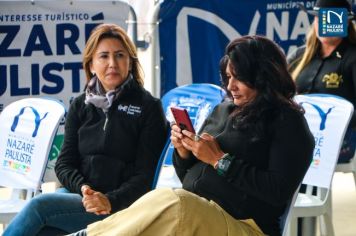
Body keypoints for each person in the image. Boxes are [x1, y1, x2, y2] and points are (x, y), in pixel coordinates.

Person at [68, 35, 315, 236]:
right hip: (200, 214)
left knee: (177, 202)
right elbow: (189, 175)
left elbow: (278, 191)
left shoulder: (287, 121)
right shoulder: (224, 109)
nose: (230, 86)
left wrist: (220, 160)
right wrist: (185, 153)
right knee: (168, 199)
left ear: (262, 75)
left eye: (239, 78)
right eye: (228, 77)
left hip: (246, 226)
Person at [3, 23, 167, 236]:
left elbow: (145, 176)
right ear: (91, 65)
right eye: (104, 56)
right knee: (43, 231)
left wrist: (109, 200)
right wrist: (84, 189)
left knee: (39, 206)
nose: (112, 63)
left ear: (130, 61)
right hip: (82, 197)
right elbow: (64, 164)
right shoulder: (80, 105)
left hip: (121, 207)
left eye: (119, 55)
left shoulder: (149, 107)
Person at [288, 0, 356, 163]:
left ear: (345, 22)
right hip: (297, 133)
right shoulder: (299, 55)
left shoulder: (353, 57)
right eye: (319, 19)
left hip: (341, 138)